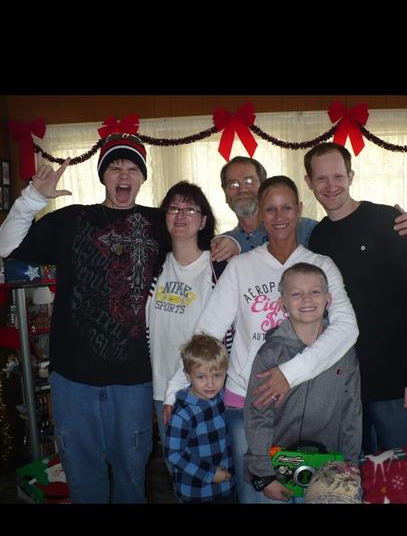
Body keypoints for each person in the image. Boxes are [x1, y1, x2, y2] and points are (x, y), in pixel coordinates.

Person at [0, 134, 239, 503]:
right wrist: (32, 198)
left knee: (131, 476)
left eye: (132, 168)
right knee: (83, 477)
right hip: (72, 379)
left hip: (134, 382)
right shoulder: (70, 219)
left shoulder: (161, 223)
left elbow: (198, 229)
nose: (123, 175)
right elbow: (7, 246)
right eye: (115, 167)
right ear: (103, 176)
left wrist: (233, 241)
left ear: (142, 178)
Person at [165, 176, 359, 502]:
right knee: (257, 494)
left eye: (286, 207)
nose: (279, 216)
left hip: (307, 405)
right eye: (270, 209)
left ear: (299, 210)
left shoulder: (321, 266)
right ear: (260, 214)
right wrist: (175, 386)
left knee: (308, 494)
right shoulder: (240, 267)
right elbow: (207, 332)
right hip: (245, 404)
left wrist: (289, 373)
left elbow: (347, 329)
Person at [304, 142, 407, 453]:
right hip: (348, 388)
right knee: (361, 482)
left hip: (399, 388)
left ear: (351, 176)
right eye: (321, 179)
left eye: (338, 176)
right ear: (309, 183)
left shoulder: (387, 221)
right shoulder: (318, 237)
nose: (331, 186)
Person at [244, 263, 362, 501]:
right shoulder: (270, 354)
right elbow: (258, 415)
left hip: (329, 469)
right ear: (282, 302)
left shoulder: (344, 352)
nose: (307, 299)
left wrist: (350, 465)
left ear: (328, 299)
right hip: (275, 469)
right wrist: (264, 474)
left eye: (315, 292)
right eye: (296, 293)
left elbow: (352, 412)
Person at [146, 180, 228, 463]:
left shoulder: (218, 268)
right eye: (173, 208)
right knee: (179, 474)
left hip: (206, 389)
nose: (180, 215)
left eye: (190, 210)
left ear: (204, 221)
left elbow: (221, 335)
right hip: (161, 388)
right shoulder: (154, 266)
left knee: (211, 472)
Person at [221, 154, 407, 252]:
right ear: (225, 193)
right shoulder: (222, 245)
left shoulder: (308, 230)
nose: (242, 189)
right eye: (233, 184)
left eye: (249, 181)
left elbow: (352, 240)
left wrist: (392, 225)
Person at [164, 334, 236, 503]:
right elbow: (173, 453)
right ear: (188, 376)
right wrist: (210, 474)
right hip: (197, 492)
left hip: (226, 488)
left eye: (217, 375)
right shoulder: (183, 413)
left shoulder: (222, 399)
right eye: (201, 377)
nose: (210, 384)